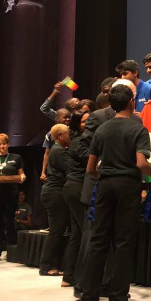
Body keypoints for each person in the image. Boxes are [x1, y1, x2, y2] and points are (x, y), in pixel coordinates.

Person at [81, 85, 151, 301]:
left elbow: (90, 169)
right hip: (127, 186)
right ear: (131, 102)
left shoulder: (102, 129)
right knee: (123, 243)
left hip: (105, 186)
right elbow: (141, 163)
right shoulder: (138, 128)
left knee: (98, 241)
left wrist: (105, 177)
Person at [61, 110, 91, 288]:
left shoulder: (78, 140)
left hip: (74, 188)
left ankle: (69, 276)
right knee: (87, 232)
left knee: (77, 234)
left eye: (89, 120)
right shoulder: (80, 141)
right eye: (83, 121)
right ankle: (82, 279)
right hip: (77, 188)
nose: (87, 124)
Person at [39, 123, 71, 276]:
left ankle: (53, 264)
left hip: (53, 192)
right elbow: (70, 169)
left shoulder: (57, 149)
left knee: (57, 231)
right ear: (60, 136)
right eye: (68, 134)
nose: (70, 136)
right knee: (56, 231)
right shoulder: (58, 150)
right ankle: (46, 266)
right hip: (54, 192)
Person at [0, 134, 26, 262]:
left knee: (9, 222)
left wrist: (22, 177)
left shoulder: (16, 157)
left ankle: (11, 251)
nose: (1, 146)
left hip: (12, 194)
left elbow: (22, 174)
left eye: (4, 143)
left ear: (8, 144)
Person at [40, 109, 71, 183]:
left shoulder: (74, 131)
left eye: (69, 117)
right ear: (58, 119)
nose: (68, 119)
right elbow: (47, 154)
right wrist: (43, 172)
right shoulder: (51, 134)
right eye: (65, 117)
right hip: (56, 169)